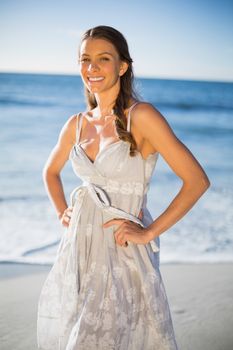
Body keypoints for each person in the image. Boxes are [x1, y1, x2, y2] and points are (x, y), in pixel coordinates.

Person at [37, 25, 210, 350]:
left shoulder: (141, 116)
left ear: (122, 66)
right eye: (85, 59)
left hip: (123, 251)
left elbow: (197, 181)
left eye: (103, 58)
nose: (92, 68)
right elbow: (50, 172)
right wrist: (63, 212)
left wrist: (148, 232)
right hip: (80, 249)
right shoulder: (76, 124)